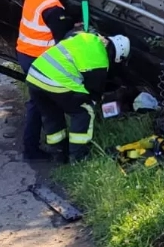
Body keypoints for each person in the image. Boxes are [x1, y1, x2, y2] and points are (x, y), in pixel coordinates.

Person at [26, 31, 130, 162]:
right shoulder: (101, 61)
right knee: (84, 111)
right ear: (117, 56)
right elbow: (93, 93)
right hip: (55, 81)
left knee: (51, 114)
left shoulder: (88, 36)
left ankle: (59, 154)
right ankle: (78, 157)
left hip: (35, 75)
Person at [16, 0, 77, 159]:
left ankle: (35, 146)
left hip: (24, 52)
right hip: (38, 59)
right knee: (42, 102)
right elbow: (62, 38)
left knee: (38, 100)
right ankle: (34, 149)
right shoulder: (52, 6)